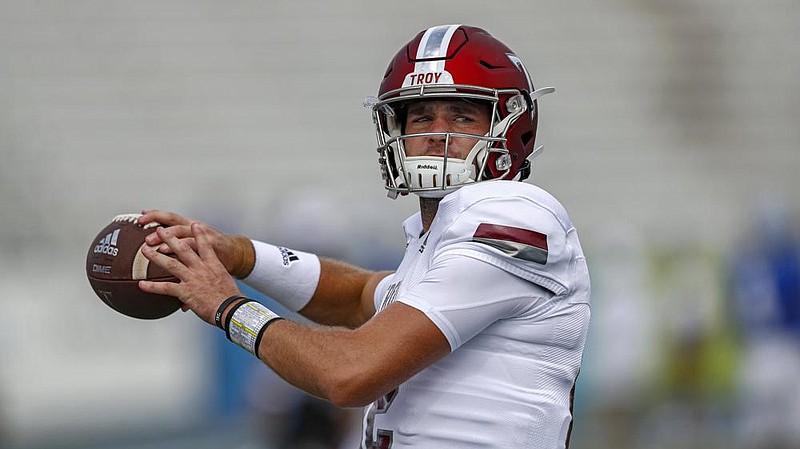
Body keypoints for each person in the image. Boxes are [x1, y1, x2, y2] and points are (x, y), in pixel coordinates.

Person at [137, 24, 591, 449]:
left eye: (462, 116)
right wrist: (240, 255)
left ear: (512, 127)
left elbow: (350, 373)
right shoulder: (438, 237)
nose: (437, 135)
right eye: (421, 117)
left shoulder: (515, 215)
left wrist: (227, 306)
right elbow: (359, 297)